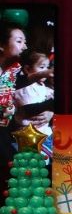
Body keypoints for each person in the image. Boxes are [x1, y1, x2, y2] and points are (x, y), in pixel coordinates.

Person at [0, 23, 27, 162]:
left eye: (25, 42)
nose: (24, 47)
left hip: (8, 130)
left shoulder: (15, 70)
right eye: (19, 41)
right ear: (2, 45)